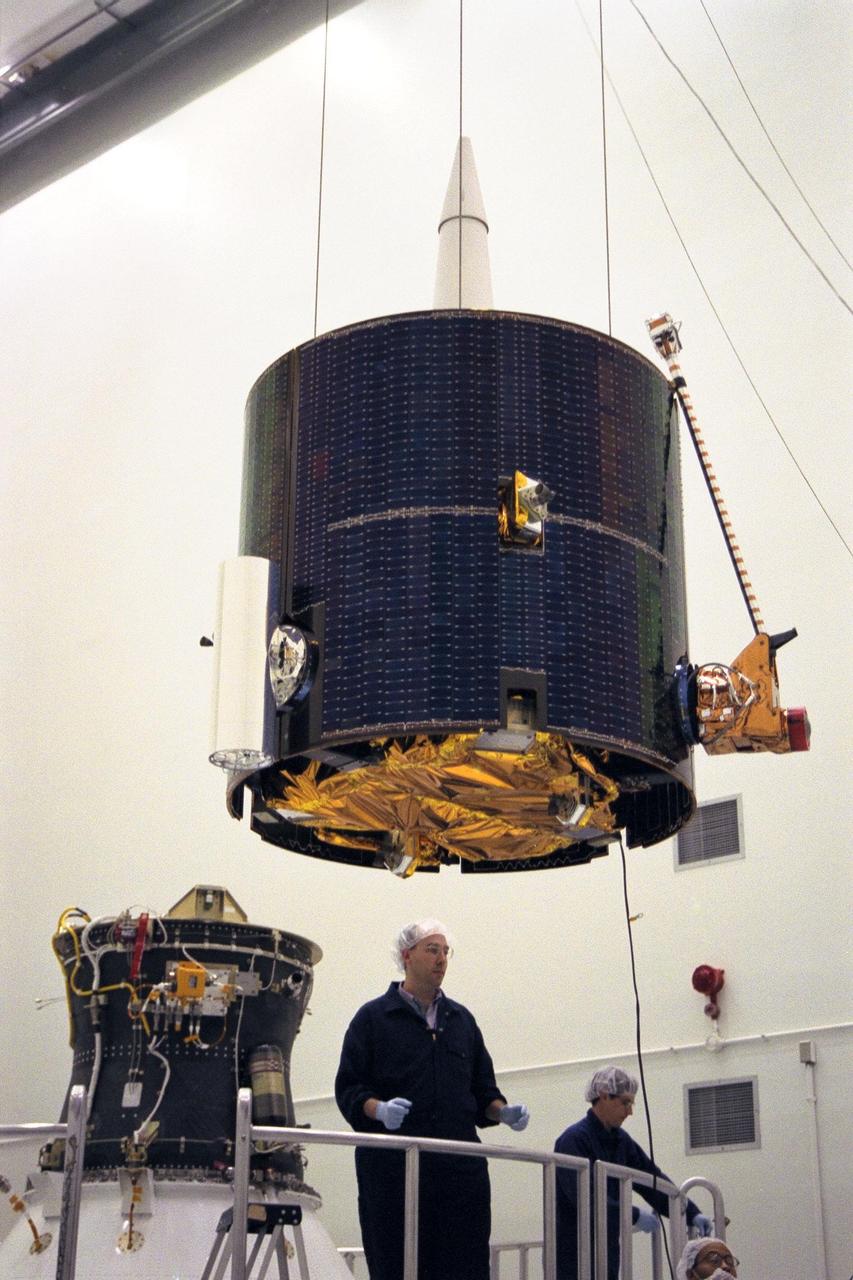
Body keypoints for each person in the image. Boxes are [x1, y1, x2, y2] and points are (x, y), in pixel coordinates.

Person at [334, 918, 530, 1279]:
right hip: (395, 1175)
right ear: (406, 956)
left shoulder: (460, 1021)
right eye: (432, 950)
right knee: (400, 1264)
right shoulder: (373, 1019)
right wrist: (379, 1111)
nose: (441, 959)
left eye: (445, 952)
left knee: (465, 1266)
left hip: (459, 1174)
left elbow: (483, 1091)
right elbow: (348, 1088)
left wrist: (502, 1113)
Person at [554, 1065, 713, 1279]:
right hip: (575, 1254)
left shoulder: (620, 1141)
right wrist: (634, 1215)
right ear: (603, 1096)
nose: (630, 1111)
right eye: (625, 1102)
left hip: (607, 1250)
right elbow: (586, 1198)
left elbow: (651, 1180)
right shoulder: (573, 1141)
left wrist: (689, 1212)